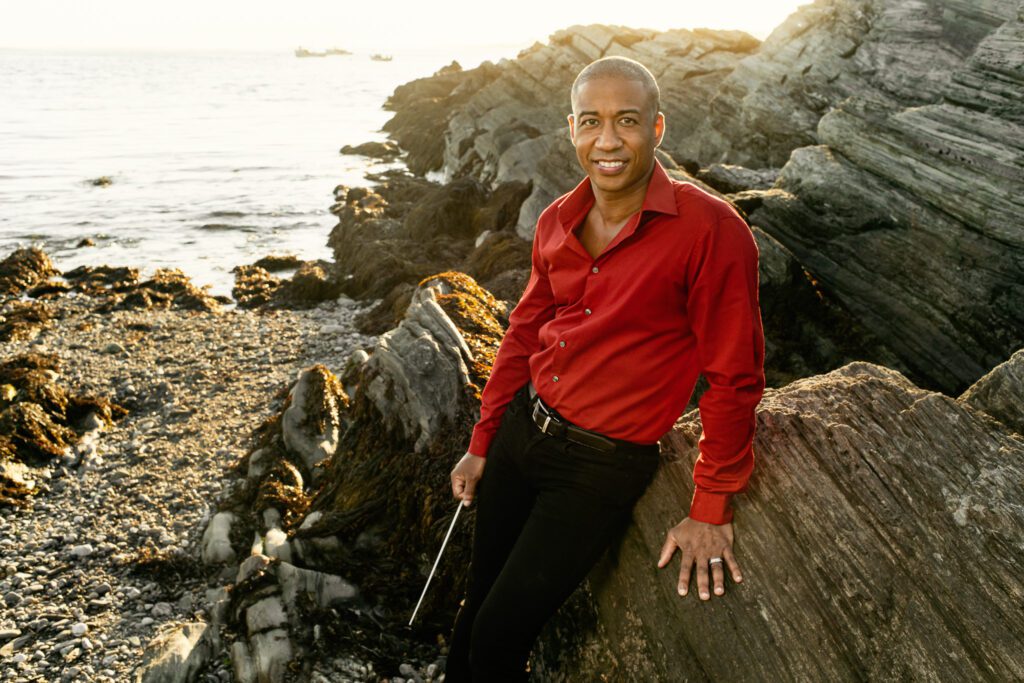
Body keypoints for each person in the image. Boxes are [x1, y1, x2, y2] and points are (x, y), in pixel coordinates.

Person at [445, 55, 766, 682]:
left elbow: (736, 376)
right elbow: (524, 333)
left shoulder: (711, 230)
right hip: (520, 432)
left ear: (658, 128)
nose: (608, 140)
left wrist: (711, 506)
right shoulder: (557, 218)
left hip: (597, 467)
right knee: (476, 605)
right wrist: (483, 441)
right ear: (571, 129)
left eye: (627, 121)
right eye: (591, 122)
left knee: (500, 633)